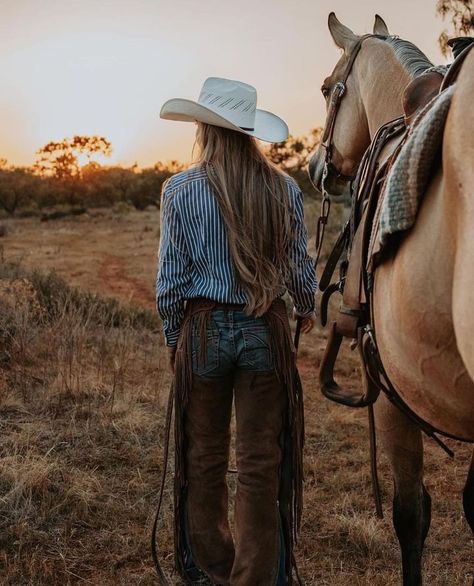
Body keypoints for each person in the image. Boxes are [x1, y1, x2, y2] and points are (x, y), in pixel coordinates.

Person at [156, 76, 317, 585]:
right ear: (249, 130)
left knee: (201, 459)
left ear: (205, 127)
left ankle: (211, 569)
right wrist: (307, 305)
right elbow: (298, 265)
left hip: (202, 330)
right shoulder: (283, 188)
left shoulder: (181, 189)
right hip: (263, 329)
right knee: (259, 464)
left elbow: (171, 280)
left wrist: (172, 337)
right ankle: (255, 576)